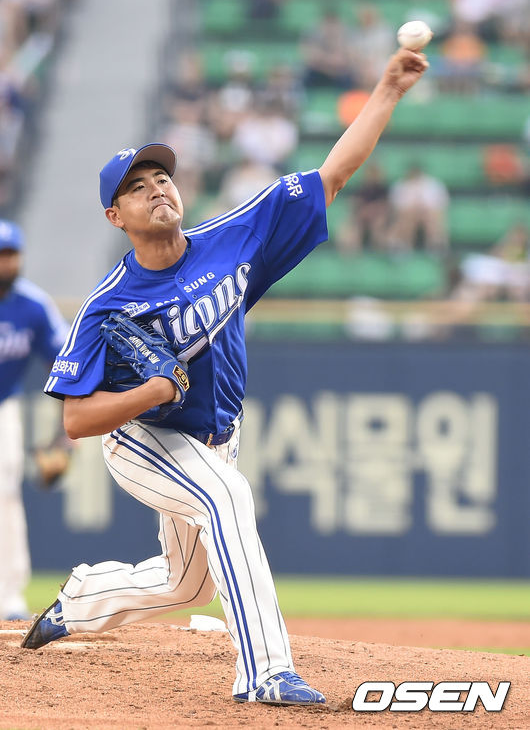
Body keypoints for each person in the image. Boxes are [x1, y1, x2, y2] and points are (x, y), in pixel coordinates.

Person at [20, 48, 429, 705]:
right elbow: (75, 420)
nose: (157, 188)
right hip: (144, 438)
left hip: (216, 435)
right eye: (136, 186)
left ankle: (83, 599)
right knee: (227, 498)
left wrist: (387, 89)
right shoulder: (107, 306)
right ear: (115, 217)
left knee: (186, 584)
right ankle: (265, 671)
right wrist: (149, 391)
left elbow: (332, 176)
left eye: (162, 177)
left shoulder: (234, 239)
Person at [0, 219, 69, 620]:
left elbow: (66, 369)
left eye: (11, 254)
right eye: (0, 255)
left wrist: (64, 438)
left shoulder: (33, 306)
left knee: (4, 493)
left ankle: (8, 596)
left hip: (3, 407)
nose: (6, 262)